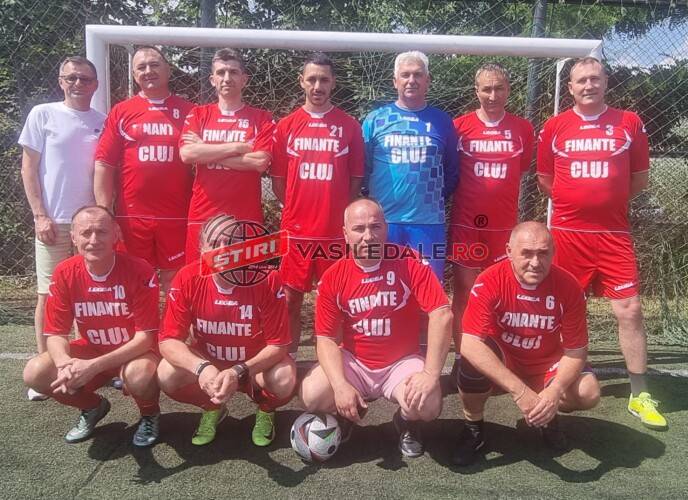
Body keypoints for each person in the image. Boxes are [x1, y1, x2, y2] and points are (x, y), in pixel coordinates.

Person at [537, 57, 666, 429]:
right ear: (570, 88)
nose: (588, 85)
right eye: (581, 80)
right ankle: (561, 373)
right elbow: (546, 180)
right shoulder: (555, 126)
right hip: (568, 235)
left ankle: (640, 394)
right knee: (563, 308)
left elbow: (639, 179)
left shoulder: (629, 122)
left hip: (613, 234)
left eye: (595, 79)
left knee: (630, 309)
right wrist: (577, 204)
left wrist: (604, 203)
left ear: (606, 82)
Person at [300, 198, 453, 458]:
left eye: (375, 226)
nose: (368, 236)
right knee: (312, 395)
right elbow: (325, 338)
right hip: (355, 362)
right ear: (345, 234)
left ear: (386, 228)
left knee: (428, 405)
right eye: (359, 228)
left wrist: (430, 374)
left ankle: (406, 422)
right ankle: (346, 413)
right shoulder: (334, 277)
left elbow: (442, 314)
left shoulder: (409, 261)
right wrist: (340, 385)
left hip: (400, 363)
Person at [453, 222, 600, 466]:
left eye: (543, 253)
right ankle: (473, 427)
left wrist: (554, 391)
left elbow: (576, 350)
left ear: (553, 252)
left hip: (545, 362)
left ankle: (547, 414)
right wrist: (520, 392)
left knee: (588, 392)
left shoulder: (569, 286)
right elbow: (469, 343)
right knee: (469, 365)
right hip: (505, 360)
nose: (535, 262)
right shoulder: (490, 279)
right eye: (527, 253)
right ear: (509, 251)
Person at [22, 205, 161, 447]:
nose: (94, 240)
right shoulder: (64, 272)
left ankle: (149, 414)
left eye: (101, 232)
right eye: (86, 233)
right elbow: (55, 333)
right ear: (74, 237)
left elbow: (145, 338)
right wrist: (64, 364)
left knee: (139, 375)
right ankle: (92, 407)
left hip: (134, 353)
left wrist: (93, 366)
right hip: (91, 349)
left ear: (116, 234)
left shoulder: (140, 270)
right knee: (35, 372)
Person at [157, 214, 296, 446]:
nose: (223, 250)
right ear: (202, 248)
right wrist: (201, 368)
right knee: (166, 373)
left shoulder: (267, 278)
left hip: (253, 366)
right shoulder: (187, 277)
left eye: (231, 242)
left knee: (284, 377)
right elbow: (168, 340)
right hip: (209, 363)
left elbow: (278, 345)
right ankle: (213, 407)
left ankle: (266, 408)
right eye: (214, 243)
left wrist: (238, 371)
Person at [18, 55, 106, 401]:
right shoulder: (42, 114)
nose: (78, 84)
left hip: (92, 226)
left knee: (91, 295)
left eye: (85, 79)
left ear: (95, 84)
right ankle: (47, 369)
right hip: (54, 222)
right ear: (60, 81)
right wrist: (39, 214)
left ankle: (91, 366)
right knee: (49, 294)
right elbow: (28, 168)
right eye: (71, 78)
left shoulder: (103, 121)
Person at [271, 52, 364, 354]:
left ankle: (333, 363)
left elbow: (354, 180)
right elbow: (279, 181)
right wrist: (296, 208)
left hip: (333, 233)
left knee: (335, 300)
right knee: (289, 299)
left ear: (333, 82)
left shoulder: (349, 126)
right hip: (296, 232)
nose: (317, 86)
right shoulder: (286, 126)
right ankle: (287, 359)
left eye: (324, 79)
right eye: (311, 79)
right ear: (301, 82)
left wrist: (336, 212)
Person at [448, 63, 534, 378]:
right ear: (476, 91)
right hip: (467, 225)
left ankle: (498, 355)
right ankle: (463, 359)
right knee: (465, 290)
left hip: (504, 228)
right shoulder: (459, 127)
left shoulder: (523, 129)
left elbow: (521, 170)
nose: (493, 95)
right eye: (486, 89)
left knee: (503, 292)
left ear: (508, 90)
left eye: (499, 88)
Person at [94, 45, 194, 291]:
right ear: (134, 75)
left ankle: (173, 319)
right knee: (134, 279)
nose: (148, 71)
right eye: (141, 67)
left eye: (154, 65)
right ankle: (140, 319)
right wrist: (104, 212)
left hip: (177, 214)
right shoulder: (121, 111)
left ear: (168, 70)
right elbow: (104, 164)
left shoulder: (190, 112)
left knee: (175, 279)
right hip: (132, 216)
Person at [363, 50, 459, 279]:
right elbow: (363, 169)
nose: (411, 80)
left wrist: (431, 199)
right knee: (382, 288)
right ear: (395, 81)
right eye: (405, 75)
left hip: (428, 223)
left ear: (428, 80)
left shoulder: (442, 121)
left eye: (418, 75)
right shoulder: (376, 119)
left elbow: (452, 171)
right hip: (383, 222)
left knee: (428, 288)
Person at [179, 48, 274, 263]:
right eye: (221, 73)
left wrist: (206, 150)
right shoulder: (198, 114)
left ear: (244, 79)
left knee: (245, 277)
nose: (227, 78)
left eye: (233, 72)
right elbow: (188, 154)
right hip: (203, 215)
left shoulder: (262, 118)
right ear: (212, 80)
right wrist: (237, 147)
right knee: (200, 275)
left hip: (246, 217)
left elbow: (259, 162)